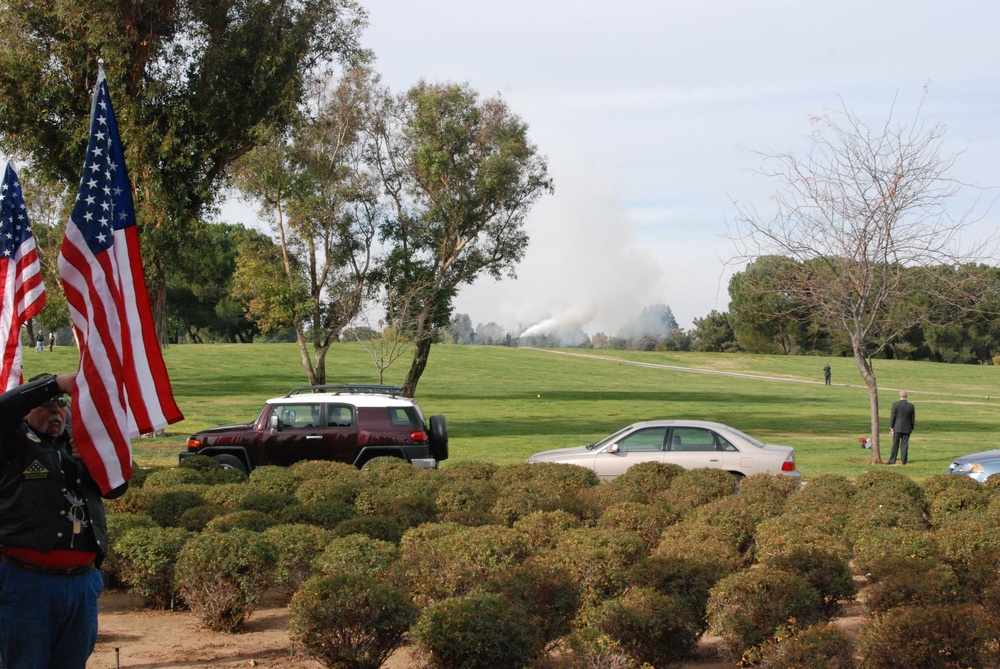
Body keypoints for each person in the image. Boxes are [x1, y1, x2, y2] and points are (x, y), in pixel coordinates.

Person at [0, 372, 127, 668]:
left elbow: (118, 488)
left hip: (81, 581)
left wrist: (98, 459)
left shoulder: (81, 443)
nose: (56, 410)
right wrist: (57, 383)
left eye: (61, 404)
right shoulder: (11, 440)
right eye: (46, 403)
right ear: (27, 408)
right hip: (26, 581)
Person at [887, 389, 916, 465]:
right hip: (907, 428)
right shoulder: (911, 406)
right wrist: (912, 427)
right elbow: (912, 418)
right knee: (904, 445)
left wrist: (891, 426)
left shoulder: (895, 405)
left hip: (897, 427)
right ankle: (904, 460)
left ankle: (892, 460)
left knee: (895, 445)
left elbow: (893, 416)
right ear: (906, 396)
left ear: (899, 396)